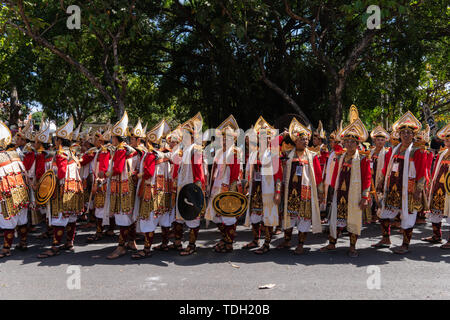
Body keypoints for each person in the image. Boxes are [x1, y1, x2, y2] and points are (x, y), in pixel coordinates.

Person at [373, 111, 427, 254]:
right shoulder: (394, 149)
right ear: (399, 134)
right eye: (403, 132)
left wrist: (418, 190)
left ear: (413, 135)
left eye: (409, 133)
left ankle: (405, 244)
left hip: (409, 188)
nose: (406, 135)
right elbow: (386, 168)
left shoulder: (417, 151)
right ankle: (386, 239)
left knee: (408, 216)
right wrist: (381, 181)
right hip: (391, 188)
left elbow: (422, 172)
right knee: (384, 213)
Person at [321, 118, 371, 257]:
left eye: (352, 142)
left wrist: (365, 196)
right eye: (346, 141)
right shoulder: (340, 156)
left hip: (354, 195)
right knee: (336, 218)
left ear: (357, 143)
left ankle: (353, 247)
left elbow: (367, 178)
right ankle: (332, 243)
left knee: (353, 220)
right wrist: (331, 191)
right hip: (340, 193)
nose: (349, 144)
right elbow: (335, 174)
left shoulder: (362, 158)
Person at [276, 118, 324, 254]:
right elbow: (273, 149)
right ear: (295, 140)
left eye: (307, 139)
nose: (305, 141)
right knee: (289, 217)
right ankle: (286, 241)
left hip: (306, 192)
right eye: (302, 139)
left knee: (304, 218)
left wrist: (321, 193)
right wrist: (282, 136)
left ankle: (301, 244)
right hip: (290, 191)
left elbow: (319, 176)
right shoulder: (287, 154)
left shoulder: (313, 156)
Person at [38, 117, 84, 258]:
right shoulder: (72, 152)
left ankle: (55, 247)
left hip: (62, 189)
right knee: (71, 217)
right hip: (73, 188)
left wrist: (52, 183)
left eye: (56, 139)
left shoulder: (61, 153)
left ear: (59, 141)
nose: (54, 141)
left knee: (59, 218)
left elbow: (62, 173)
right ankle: (69, 242)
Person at [132, 119, 172, 259]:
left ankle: (147, 249)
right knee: (164, 219)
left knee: (148, 220)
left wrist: (138, 174)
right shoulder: (166, 155)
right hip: (164, 191)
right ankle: (165, 243)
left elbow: (148, 173)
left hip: (151, 190)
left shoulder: (150, 155)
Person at [242, 116, 282, 254]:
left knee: (268, 218)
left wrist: (278, 192)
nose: (266, 140)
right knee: (254, 216)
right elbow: (249, 172)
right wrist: (246, 185)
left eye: (268, 137)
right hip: (255, 191)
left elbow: (279, 176)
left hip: (269, 190)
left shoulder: (274, 154)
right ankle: (255, 239)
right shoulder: (254, 154)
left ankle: (266, 243)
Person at [205, 115, 243, 253]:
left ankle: (228, 243)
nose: (224, 140)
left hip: (228, 187)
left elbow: (235, 174)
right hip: (217, 187)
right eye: (223, 137)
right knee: (215, 215)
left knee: (228, 216)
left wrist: (231, 193)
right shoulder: (220, 152)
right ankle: (225, 239)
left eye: (228, 137)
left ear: (233, 138)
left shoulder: (235, 152)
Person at [105, 112, 139, 259]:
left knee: (122, 216)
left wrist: (105, 174)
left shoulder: (120, 150)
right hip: (130, 185)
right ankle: (132, 241)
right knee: (129, 214)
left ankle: (121, 247)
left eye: (112, 137)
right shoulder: (131, 150)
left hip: (121, 186)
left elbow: (118, 169)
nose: (111, 139)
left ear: (117, 138)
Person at [172, 113, 206, 256]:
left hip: (191, 187)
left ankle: (192, 245)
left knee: (192, 216)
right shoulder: (183, 149)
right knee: (179, 214)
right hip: (182, 186)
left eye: (186, 134)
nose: (183, 137)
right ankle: (178, 242)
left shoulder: (195, 149)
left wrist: (197, 190)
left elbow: (199, 171)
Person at [0, 121, 30, 258]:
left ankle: (6, 248)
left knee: (8, 222)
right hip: (21, 192)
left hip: (7, 194)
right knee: (22, 219)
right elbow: (25, 175)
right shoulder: (16, 156)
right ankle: (23, 242)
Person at [421, 123, 450, 248]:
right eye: (447, 140)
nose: (448, 142)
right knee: (435, 211)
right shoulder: (443, 153)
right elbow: (436, 169)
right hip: (438, 187)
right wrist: (431, 184)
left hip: (449, 189)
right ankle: (436, 236)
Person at [368, 126, 391, 223]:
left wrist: (383, 179)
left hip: (381, 176)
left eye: (382, 140)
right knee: (370, 194)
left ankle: (380, 214)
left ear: (385, 142)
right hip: (370, 176)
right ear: (374, 141)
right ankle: (371, 215)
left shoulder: (386, 153)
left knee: (379, 194)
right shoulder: (371, 152)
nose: (380, 142)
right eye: (378, 140)